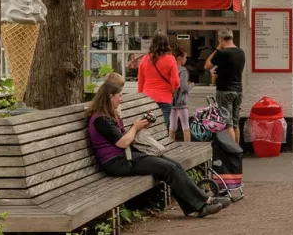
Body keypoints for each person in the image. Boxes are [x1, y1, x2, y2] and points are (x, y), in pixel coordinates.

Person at [85, 74, 223, 218]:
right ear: (110, 97)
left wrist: (139, 127)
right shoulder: (101, 119)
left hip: (126, 156)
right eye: (119, 96)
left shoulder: (108, 115)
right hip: (116, 162)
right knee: (167, 168)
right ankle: (204, 203)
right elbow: (123, 142)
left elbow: (124, 139)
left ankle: (198, 205)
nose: (121, 99)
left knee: (174, 164)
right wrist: (135, 127)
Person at [204, 29, 245, 144]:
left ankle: (231, 152)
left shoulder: (222, 53)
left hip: (225, 90)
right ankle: (237, 152)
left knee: (228, 124)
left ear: (220, 39)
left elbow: (207, 66)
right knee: (236, 123)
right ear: (231, 37)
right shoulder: (241, 52)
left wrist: (217, 49)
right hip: (238, 90)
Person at [136, 33, 182, 129]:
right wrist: (173, 91)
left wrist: (140, 96)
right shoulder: (170, 59)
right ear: (166, 44)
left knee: (147, 128)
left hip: (147, 98)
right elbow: (176, 82)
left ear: (152, 43)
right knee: (162, 129)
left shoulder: (145, 59)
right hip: (164, 98)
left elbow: (140, 81)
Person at [168, 43, 192, 142]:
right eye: (185, 57)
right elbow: (184, 88)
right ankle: (188, 148)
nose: (186, 59)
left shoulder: (170, 70)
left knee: (172, 126)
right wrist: (191, 85)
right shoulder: (183, 71)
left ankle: (170, 146)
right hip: (181, 102)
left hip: (171, 102)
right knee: (185, 126)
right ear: (179, 58)